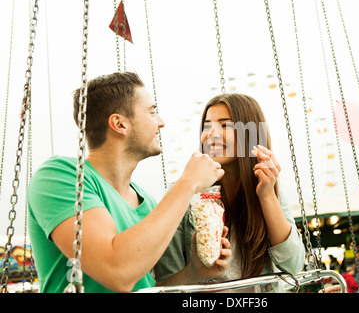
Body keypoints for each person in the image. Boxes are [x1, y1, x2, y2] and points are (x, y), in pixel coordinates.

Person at [27, 71, 231, 293]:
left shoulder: (147, 202)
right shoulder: (60, 175)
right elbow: (117, 272)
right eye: (152, 112)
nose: (161, 122)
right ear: (119, 124)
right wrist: (188, 182)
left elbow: (142, 289)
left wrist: (194, 273)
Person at [154, 93, 305, 292]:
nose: (211, 134)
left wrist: (266, 195)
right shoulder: (183, 192)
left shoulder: (269, 189)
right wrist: (195, 271)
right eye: (207, 126)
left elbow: (293, 265)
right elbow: (167, 283)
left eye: (225, 125)